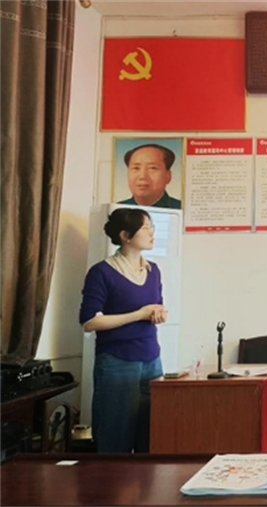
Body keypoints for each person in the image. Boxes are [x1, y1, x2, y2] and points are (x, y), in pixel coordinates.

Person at [79, 208, 168, 453]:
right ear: (125, 236)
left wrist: (158, 313)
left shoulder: (153, 270)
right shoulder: (102, 272)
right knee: (115, 438)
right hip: (117, 362)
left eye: (151, 227)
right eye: (145, 228)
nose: (151, 233)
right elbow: (89, 321)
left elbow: (156, 307)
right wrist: (138, 314)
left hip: (152, 360)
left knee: (151, 436)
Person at [117, 143, 182, 209]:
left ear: (168, 176)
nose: (142, 176)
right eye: (136, 168)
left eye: (152, 168)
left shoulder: (182, 208)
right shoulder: (117, 209)